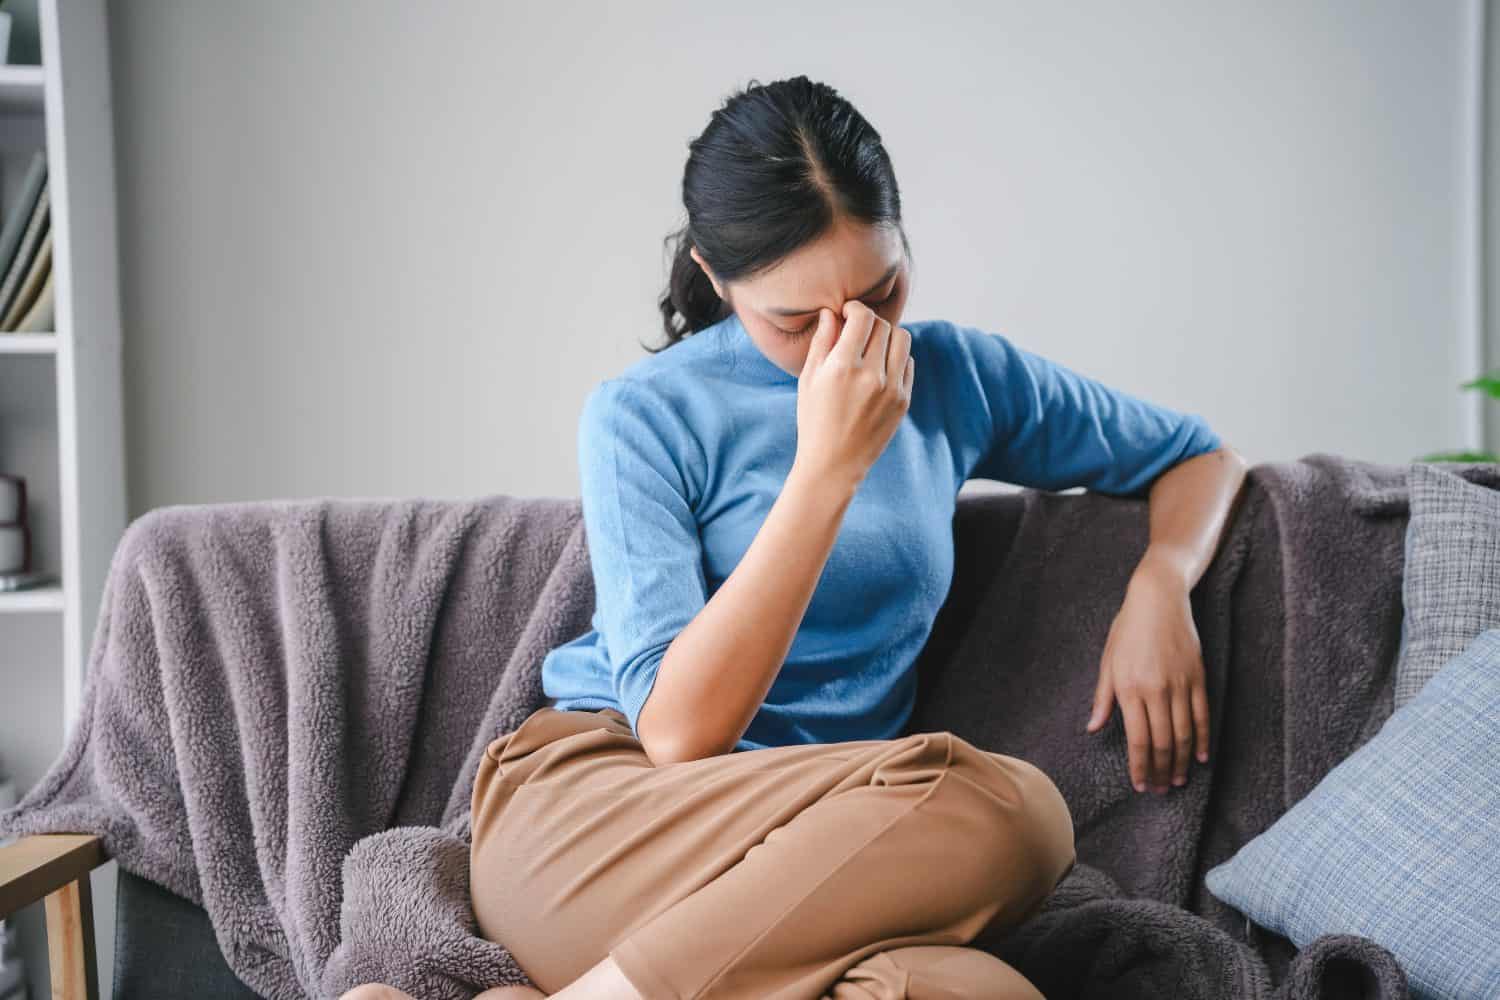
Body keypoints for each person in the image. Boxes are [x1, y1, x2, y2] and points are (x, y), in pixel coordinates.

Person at [345, 75, 1247, 1000]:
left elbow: (1196, 455)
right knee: (1012, 811)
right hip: (604, 824)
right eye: (796, 320)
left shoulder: (958, 377)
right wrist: (829, 468)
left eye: (881, 290)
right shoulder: (644, 416)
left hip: (809, 870)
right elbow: (679, 736)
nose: (851, 339)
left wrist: (1160, 588)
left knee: (986, 995)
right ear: (713, 276)